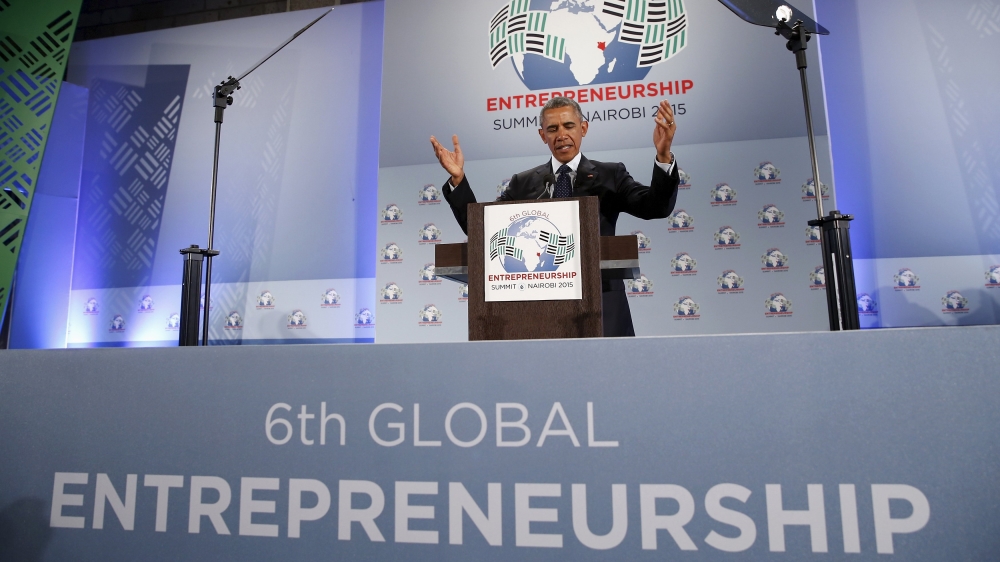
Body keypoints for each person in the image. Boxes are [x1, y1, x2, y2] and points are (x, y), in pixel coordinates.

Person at [430, 97, 680, 337]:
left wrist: (664, 156)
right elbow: (482, 231)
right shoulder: (523, 183)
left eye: (569, 126)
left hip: (601, 306)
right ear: (543, 135)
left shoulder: (610, 175)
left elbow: (655, 207)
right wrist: (458, 180)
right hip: (538, 310)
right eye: (552, 128)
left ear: (583, 128)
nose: (561, 134)